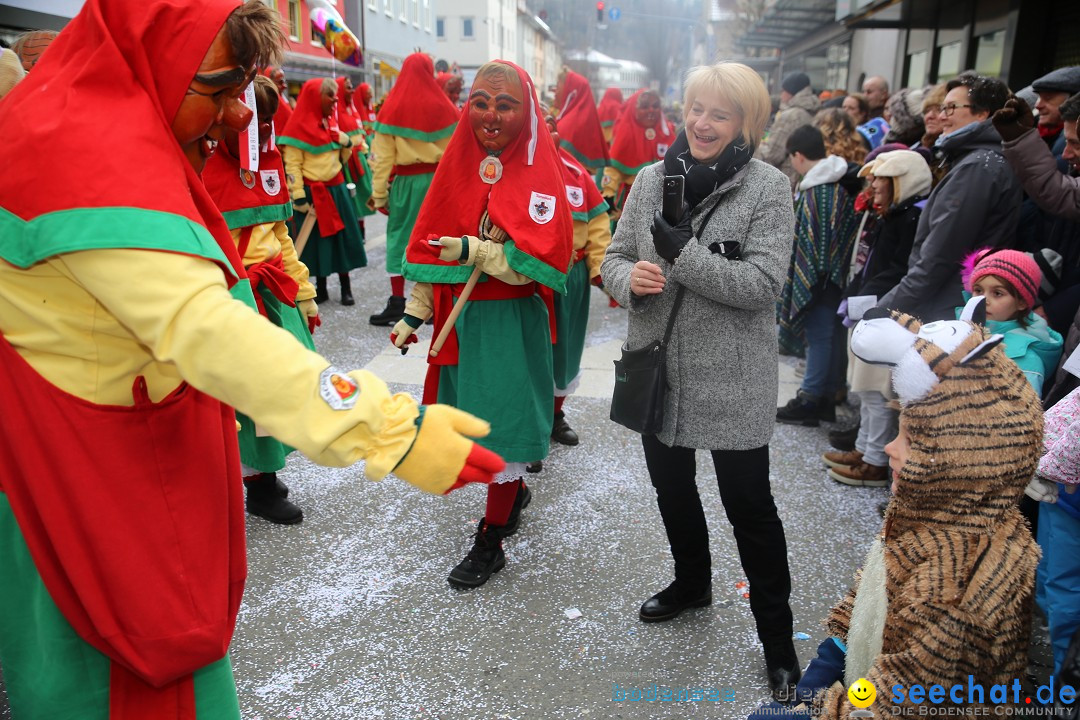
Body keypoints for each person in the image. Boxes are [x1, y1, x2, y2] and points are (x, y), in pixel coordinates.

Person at [0, 0, 503, 716]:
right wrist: (387, 429)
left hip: (82, 454)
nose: (240, 115)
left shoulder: (83, 125)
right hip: (95, 494)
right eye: (220, 90)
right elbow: (203, 327)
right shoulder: (84, 163)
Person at [600, 62, 801, 701]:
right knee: (672, 490)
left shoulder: (769, 189)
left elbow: (763, 287)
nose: (701, 123)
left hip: (732, 379)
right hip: (656, 371)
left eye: (719, 112)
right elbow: (612, 255)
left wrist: (683, 254)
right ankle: (692, 582)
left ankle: (778, 641)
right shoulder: (651, 179)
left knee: (750, 509)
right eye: (694, 108)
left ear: (746, 122)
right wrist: (627, 279)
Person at [749, 297, 1043, 719]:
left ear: (962, 455)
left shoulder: (961, 579)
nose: (889, 448)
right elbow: (872, 596)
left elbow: (902, 694)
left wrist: (819, 712)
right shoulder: (930, 513)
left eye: (912, 441)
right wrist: (829, 662)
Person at [395, 60, 573, 589]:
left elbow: (535, 264)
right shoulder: (455, 164)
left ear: (527, 111)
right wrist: (414, 312)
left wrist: (476, 249)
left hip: (509, 326)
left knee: (502, 433)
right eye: (481, 101)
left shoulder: (544, 174)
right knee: (471, 425)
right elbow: (431, 251)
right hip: (461, 326)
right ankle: (511, 497)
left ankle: (491, 539)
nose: (491, 115)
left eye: (505, 104)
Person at [202, 74, 319, 525]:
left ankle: (261, 472)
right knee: (248, 396)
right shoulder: (205, 170)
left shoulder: (266, 162)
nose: (263, 130)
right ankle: (259, 486)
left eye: (270, 120)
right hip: (234, 297)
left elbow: (280, 236)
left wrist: (304, 296)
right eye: (255, 120)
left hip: (269, 293)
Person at [825, 150, 931, 487]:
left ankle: (873, 459)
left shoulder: (912, 217)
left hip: (886, 313)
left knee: (877, 390)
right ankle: (864, 449)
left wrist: (869, 300)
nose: (873, 186)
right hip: (871, 306)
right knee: (865, 387)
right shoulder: (892, 216)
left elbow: (899, 270)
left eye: (880, 179)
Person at [876, 73, 1018, 323]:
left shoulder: (979, 167)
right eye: (942, 108)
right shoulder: (976, 162)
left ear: (983, 113)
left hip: (949, 309)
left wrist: (884, 310)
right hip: (951, 304)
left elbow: (939, 257)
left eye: (951, 108)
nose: (942, 116)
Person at [776, 125, 861, 425]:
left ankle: (810, 399)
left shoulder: (819, 189)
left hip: (821, 278)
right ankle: (827, 394)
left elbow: (816, 246)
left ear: (798, 156)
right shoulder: (833, 183)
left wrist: (809, 280)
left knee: (820, 335)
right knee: (831, 335)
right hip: (832, 275)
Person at [368, 52, 458, 326]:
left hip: (406, 183)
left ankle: (398, 302)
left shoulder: (392, 107)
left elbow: (382, 160)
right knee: (436, 239)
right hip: (439, 184)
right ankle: (434, 302)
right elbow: (457, 153)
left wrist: (380, 195)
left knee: (399, 238)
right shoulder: (445, 107)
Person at [544, 110, 612, 456]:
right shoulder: (504, 168)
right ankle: (531, 427)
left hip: (571, 277)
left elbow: (599, 222)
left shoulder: (576, 173)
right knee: (529, 355)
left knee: (565, 351)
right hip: (525, 281)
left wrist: (600, 269)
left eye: (551, 125)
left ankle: (555, 416)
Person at [278, 77, 367, 305]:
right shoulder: (297, 130)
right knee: (317, 245)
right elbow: (293, 165)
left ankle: (346, 287)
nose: (335, 99)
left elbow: (344, 156)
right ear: (315, 99)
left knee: (342, 241)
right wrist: (297, 194)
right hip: (312, 195)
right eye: (330, 95)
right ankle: (321, 287)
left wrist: (344, 140)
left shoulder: (331, 125)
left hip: (336, 190)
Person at [1028, 386, 1080, 681]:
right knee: (1058, 580)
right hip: (1066, 497)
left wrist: (1044, 465)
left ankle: (1066, 681)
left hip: (1069, 493)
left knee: (1066, 587)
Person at [962, 248, 1063, 397]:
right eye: (978, 290)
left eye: (998, 293)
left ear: (1021, 302)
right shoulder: (959, 328)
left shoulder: (1027, 361)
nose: (984, 300)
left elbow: (1023, 415)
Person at [602, 88, 675, 217]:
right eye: (645, 106)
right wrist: (609, 193)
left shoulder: (666, 131)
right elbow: (613, 168)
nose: (651, 110)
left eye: (655, 106)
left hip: (663, 199)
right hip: (632, 199)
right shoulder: (626, 133)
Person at [758, 71, 820, 190]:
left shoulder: (792, 115)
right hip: (805, 176)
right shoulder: (814, 110)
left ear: (790, 92)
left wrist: (756, 148)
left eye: (783, 91)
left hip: (787, 178)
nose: (781, 95)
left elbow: (772, 154)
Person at [335, 75, 376, 226]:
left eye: (352, 87)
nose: (352, 90)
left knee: (364, 194)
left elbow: (361, 135)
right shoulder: (337, 113)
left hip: (360, 159)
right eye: (348, 87)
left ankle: (362, 229)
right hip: (348, 163)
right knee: (353, 198)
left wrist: (366, 156)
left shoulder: (353, 110)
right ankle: (356, 230)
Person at [552, 67, 609, 172]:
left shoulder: (568, 127)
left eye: (558, 87)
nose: (554, 92)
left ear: (570, 93)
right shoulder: (576, 123)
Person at [1032, 66, 1080, 173]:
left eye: (1048, 98)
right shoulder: (1032, 130)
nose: (1037, 105)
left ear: (1073, 100)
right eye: (1039, 98)